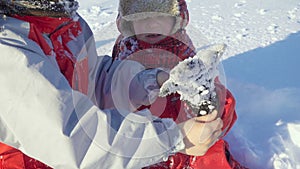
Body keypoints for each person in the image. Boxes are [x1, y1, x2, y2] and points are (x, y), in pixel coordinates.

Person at [0, 0, 223, 168]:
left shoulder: (64, 22)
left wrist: (151, 81)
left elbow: (93, 80)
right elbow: (70, 136)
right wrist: (176, 137)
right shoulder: (7, 45)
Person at [112, 0, 247, 168]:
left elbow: (221, 109)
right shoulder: (126, 56)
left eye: (161, 16)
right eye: (142, 17)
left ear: (177, 19)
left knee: (212, 154)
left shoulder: (182, 50)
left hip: (188, 138)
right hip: (147, 142)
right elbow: (115, 104)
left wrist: (207, 101)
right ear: (128, 23)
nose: (152, 23)